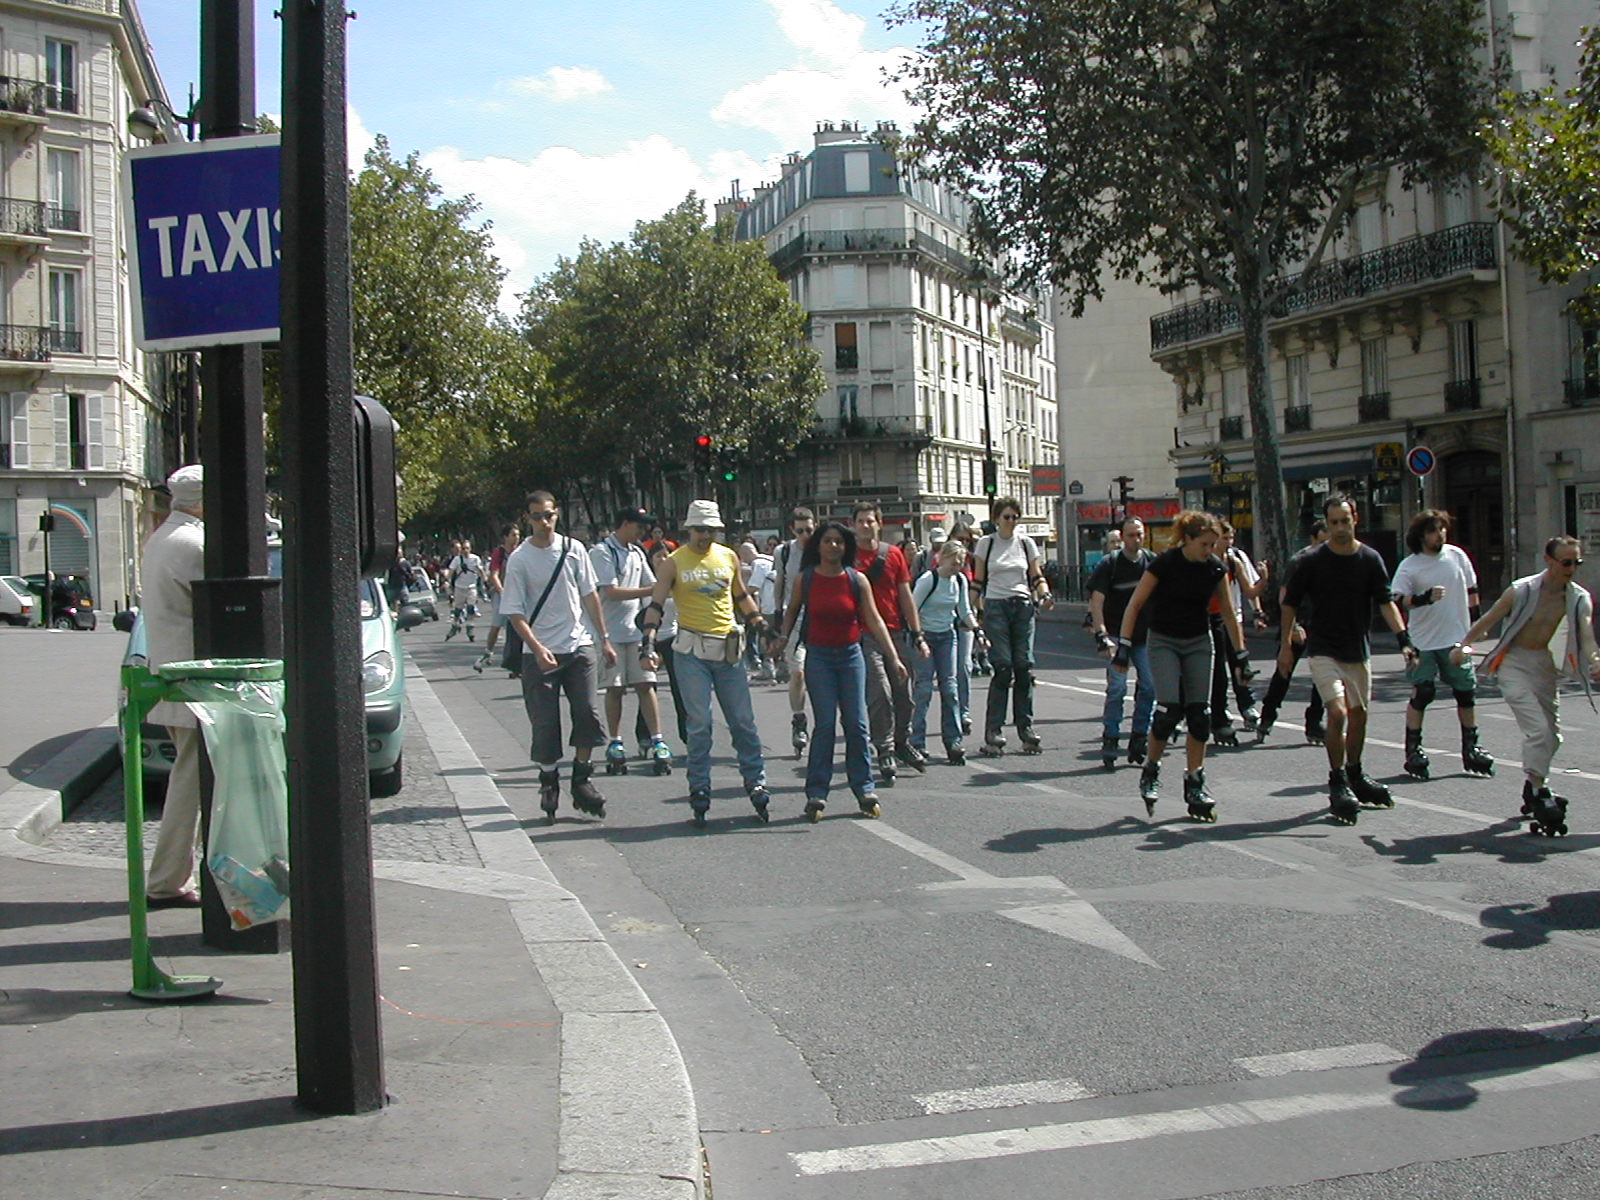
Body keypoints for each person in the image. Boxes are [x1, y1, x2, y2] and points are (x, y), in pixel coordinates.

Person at [1280, 494, 1416, 826]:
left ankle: (1355, 773)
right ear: (1326, 525)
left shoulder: (1369, 559)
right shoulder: (1311, 561)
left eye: (1345, 521)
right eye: (1334, 523)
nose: (1340, 528)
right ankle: (1337, 780)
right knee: (1337, 712)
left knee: (1359, 715)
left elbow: (1385, 601)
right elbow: (1289, 603)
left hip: (1357, 649)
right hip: (1323, 648)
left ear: (1356, 519)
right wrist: (1285, 645)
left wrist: (1404, 639)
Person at [1457, 535, 1600, 835]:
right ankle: (1538, 790)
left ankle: (1534, 784)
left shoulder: (1578, 598)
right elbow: (1490, 618)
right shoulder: (1522, 590)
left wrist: (1595, 660)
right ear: (1549, 561)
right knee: (1538, 730)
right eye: (1566, 563)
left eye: (1576, 563)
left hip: (1543, 664)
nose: (1572, 569)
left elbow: (1586, 636)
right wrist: (1463, 645)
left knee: (1553, 737)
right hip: (1513, 662)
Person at [641, 500, 770, 826]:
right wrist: (648, 640)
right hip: (691, 653)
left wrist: (760, 625)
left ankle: (755, 781)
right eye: (700, 529)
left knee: (742, 721)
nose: (705, 536)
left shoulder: (728, 556)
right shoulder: (673, 563)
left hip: (728, 650)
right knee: (699, 724)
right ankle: (699, 786)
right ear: (689, 530)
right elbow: (656, 604)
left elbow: (740, 595)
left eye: (711, 530)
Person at [1115, 510, 1249, 822]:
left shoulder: (1215, 568)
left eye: (1213, 545)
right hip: (1164, 640)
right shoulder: (1165, 563)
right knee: (1168, 712)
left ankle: (1195, 780)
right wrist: (1123, 645)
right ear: (1187, 539)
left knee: (1200, 716)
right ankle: (1151, 768)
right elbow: (1135, 603)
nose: (1210, 550)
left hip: (1198, 640)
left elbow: (1229, 614)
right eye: (1204, 544)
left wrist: (1241, 656)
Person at [773, 521, 906, 820]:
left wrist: (894, 657)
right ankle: (817, 792)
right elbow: (792, 610)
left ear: (846, 547)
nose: (833, 546)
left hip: (850, 657)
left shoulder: (857, 580)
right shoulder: (806, 579)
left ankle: (864, 789)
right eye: (828, 541)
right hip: (819, 658)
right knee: (825, 726)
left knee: (857, 724)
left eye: (839, 542)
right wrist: (782, 639)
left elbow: (875, 620)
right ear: (818, 545)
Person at [500, 491, 615, 822]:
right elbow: (514, 611)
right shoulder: (520, 559)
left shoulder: (574, 549)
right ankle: (549, 779)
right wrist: (537, 648)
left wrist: (604, 639)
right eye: (537, 517)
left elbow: (589, 596)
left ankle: (581, 778)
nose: (544, 522)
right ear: (528, 519)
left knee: (588, 712)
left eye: (548, 515)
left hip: (578, 646)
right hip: (539, 652)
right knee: (545, 722)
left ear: (557, 514)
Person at [139, 464, 208, 908]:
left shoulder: (163, 538)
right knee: (191, 786)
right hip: (194, 680)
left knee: (191, 781)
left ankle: (173, 877)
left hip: (174, 673)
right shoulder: (192, 545)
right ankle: (167, 881)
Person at [1390, 509, 1493, 780]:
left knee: (1466, 692)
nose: (1440, 534)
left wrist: (1477, 624)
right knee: (1423, 693)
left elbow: (1471, 591)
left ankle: (1471, 747)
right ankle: (1413, 749)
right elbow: (1397, 599)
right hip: (1423, 641)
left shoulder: (1457, 556)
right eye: (1433, 530)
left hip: (1456, 638)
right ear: (1421, 535)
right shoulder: (1410, 565)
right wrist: (1422, 599)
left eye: (1442, 529)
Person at [591, 507, 672, 775]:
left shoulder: (636, 552)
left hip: (635, 633)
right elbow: (611, 591)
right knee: (615, 688)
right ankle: (615, 741)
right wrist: (653, 589)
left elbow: (653, 586)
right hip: (611, 633)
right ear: (625, 523)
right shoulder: (602, 552)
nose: (642, 531)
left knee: (646, 684)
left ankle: (657, 739)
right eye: (639, 526)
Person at [853, 502, 931, 781]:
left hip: (895, 632)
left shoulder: (893, 554)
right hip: (863, 635)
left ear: (879, 524)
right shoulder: (847, 556)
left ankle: (901, 742)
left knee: (904, 695)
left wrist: (917, 633)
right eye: (861, 521)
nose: (866, 526)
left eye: (870, 521)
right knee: (880, 693)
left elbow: (905, 595)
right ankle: (884, 748)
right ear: (853, 525)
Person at [973, 497, 1053, 755]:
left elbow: (1036, 575)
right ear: (997, 518)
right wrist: (968, 612)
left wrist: (1045, 594)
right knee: (1003, 667)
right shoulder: (986, 544)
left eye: (1015, 517)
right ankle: (994, 731)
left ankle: (1025, 728)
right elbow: (978, 581)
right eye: (1006, 517)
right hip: (996, 607)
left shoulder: (1026, 543)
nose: (1011, 521)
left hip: (1022, 606)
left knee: (1023, 666)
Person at [1087, 516, 1156, 769]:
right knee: (1117, 687)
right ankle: (1111, 736)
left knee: (1149, 686)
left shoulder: (1152, 562)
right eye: (1131, 535)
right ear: (1123, 537)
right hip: (1117, 634)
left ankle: (1139, 736)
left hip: (1144, 635)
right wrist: (1102, 635)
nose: (1136, 539)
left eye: (1139, 534)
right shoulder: (1110, 564)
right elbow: (1097, 602)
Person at [1256, 521, 1328, 744]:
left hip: (1322, 624)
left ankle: (1315, 721)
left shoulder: (1334, 561)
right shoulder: (1299, 561)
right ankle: (1268, 715)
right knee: (1284, 671)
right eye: (1322, 541)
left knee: (1323, 674)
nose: (1326, 546)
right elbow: (1285, 596)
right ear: (1313, 539)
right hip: (1298, 621)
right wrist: (1293, 627)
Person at [909, 537, 977, 764]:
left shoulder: (959, 581)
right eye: (954, 562)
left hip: (947, 635)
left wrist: (978, 631)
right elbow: (912, 609)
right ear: (942, 558)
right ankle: (916, 741)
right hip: (925, 636)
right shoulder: (929, 579)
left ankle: (953, 741)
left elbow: (964, 610)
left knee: (950, 688)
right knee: (924, 689)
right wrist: (919, 639)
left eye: (961, 563)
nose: (957, 567)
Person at [1207, 521, 1267, 745]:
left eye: (1231, 538)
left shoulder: (1234, 560)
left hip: (1232, 618)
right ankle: (1216, 713)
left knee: (1241, 664)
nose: (1228, 542)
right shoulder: (1203, 560)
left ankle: (1247, 706)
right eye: (1225, 538)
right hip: (1209, 620)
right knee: (1217, 671)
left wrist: (1264, 580)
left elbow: (1250, 590)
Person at [769, 507, 816, 750]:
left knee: (821, 678)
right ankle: (799, 720)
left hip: (821, 620)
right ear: (792, 530)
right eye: (800, 531)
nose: (805, 535)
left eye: (809, 530)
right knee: (797, 673)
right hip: (794, 619)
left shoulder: (824, 548)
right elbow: (779, 581)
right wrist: (778, 616)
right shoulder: (784, 552)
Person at [476, 523, 521, 674]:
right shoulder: (499, 553)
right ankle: (488, 652)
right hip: (501, 595)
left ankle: (516, 662)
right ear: (505, 537)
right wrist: (502, 591)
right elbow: (494, 575)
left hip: (518, 595)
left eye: (518, 535)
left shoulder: (521, 552)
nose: (516, 538)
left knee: (518, 628)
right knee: (496, 626)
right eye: (513, 535)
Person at [446, 539, 484, 642]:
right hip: (459, 587)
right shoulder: (457, 559)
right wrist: (447, 581)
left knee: (471, 608)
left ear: (470, 549)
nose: (465, 551)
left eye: (467, 548)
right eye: (463, 548)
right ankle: (455, 626)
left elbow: (480, 571)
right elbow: (451, 571)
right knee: (458, 610)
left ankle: (470, 628)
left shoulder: (475, 559)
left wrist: (484, 579)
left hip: (471, 587)